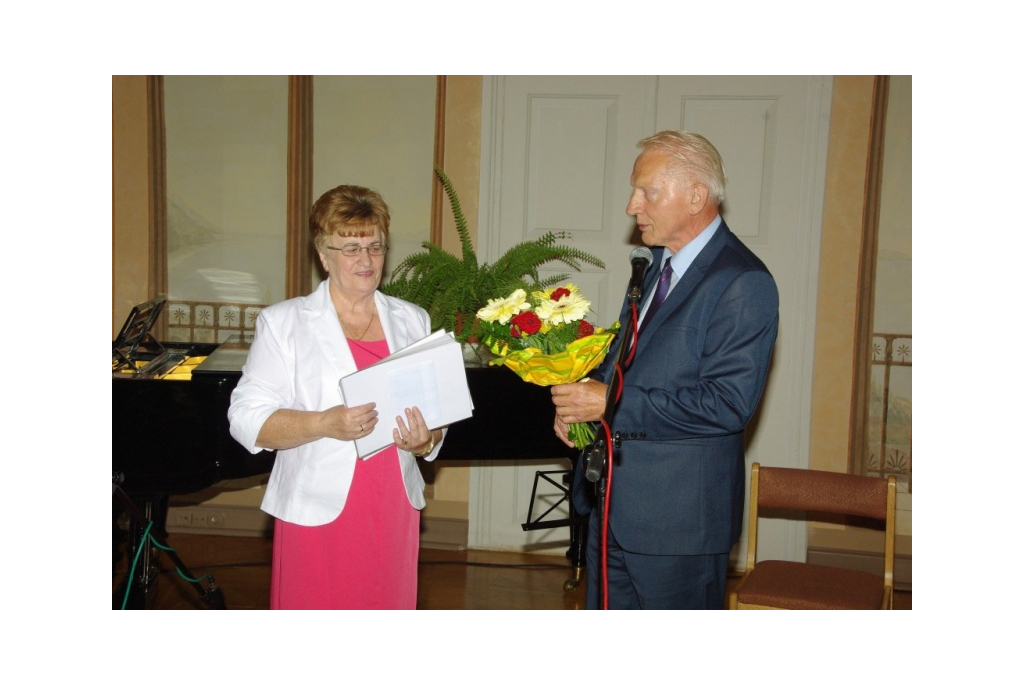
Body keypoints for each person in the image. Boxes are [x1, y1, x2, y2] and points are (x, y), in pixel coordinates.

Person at [550, 131, 779, 610]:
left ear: (696, 195)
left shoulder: (743, 282)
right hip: (612, 506)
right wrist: (585, 411)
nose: (633, 206)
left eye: (647, 191)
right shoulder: (653, 266)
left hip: (679, 526)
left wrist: (608, 403)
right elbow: (625, 364)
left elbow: (727, 405)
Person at [228, 184, 444, 609]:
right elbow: (244, 417)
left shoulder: (413, 319)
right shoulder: (284, 323)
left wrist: (428, 439)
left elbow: (437, 415)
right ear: (323, 255)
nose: (365, 260)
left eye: (375, 246)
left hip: (393, 505)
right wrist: (323, 423)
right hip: (318, 507)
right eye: (350, 247)